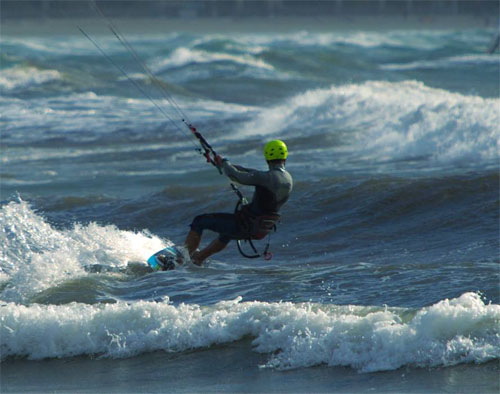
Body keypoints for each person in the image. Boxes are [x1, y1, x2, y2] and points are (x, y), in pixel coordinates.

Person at [184, 140, 293, 265]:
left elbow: (236, 176)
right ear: (285, 156)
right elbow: (249, 172)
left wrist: (225, 163)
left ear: (266, 157)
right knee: (226, 234)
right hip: (260, 229)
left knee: (199, 221)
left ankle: (182, 258)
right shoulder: (288, 179)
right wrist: (225, 165)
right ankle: (198, 258)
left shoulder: (265, 177)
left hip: (244, 225)